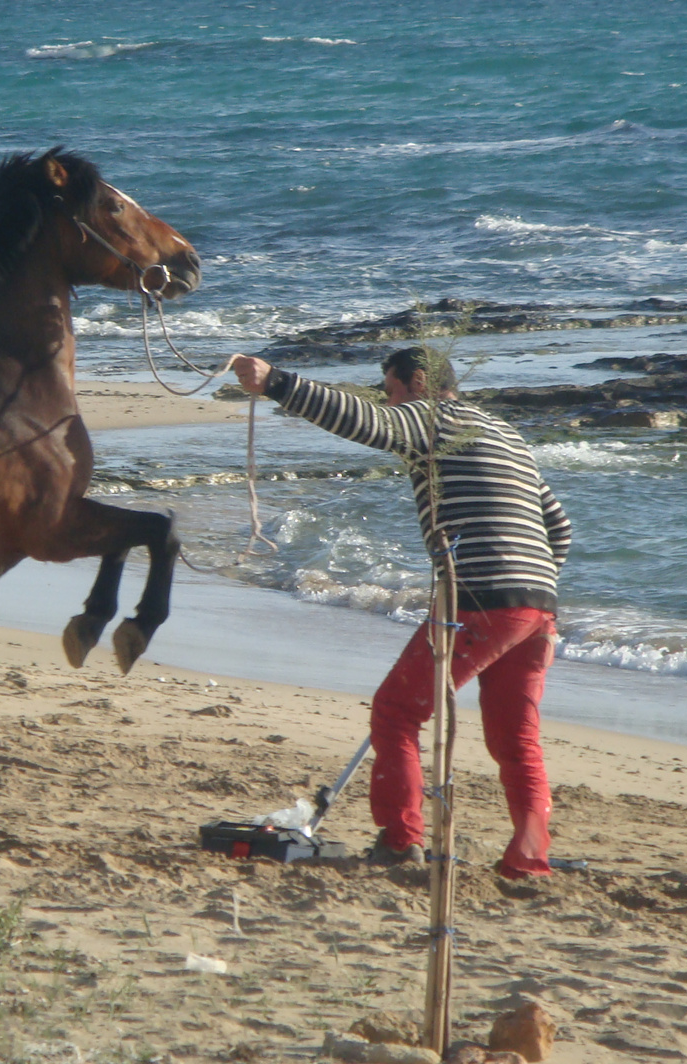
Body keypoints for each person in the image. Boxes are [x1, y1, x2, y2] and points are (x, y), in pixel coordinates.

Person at [230, 346, 572, 879]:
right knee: (516, 739)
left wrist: (276, 382)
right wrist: (534, 585)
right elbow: (560, 527)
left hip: (479, 599)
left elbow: (364, 422)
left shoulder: (432, 417)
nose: (388, 401)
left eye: (390, 389)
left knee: (396, 713)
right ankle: (529, 859)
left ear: (418, 383)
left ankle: (399, 839)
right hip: (539, 606)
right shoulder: (505, 433)